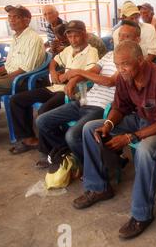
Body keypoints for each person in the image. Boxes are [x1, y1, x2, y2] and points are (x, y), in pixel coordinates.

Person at [72, 40, 156, 240]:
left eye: (126, 64)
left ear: (140, 61)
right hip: (139, 119)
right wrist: (109, 125)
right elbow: (120, 107)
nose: (121, 69)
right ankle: (99, 188)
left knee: (145, 151)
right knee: (90, 128)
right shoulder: (123, 77)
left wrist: (130, 137)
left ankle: (142, 214)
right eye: (118, 65)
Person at [35, 21, 140, 165]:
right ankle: (72, 154)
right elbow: (91, 72)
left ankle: (95, 164)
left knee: (72, 135)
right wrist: (74, 80)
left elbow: (110, 81)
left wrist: (77, 72)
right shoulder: (109, 55)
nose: (121, 39)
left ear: (136, 40)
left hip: (103, 107)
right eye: (120, 36)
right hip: (85, 101)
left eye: (126, 36)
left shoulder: (132, 60)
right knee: (42, 121)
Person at [8, 20, 99, 156]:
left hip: (71, 91)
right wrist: (53, 71)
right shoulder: (68, 50)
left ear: (84, 35)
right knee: (16, 100)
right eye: (70, 36)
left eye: (76, 36)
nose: (73, 40)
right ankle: (28, 139)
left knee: (44, 112)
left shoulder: (91, 51)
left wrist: (72, 78)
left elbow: (92, 71)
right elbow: (54, 61)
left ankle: (51, 150)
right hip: (56, 87)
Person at [0, 5, 44, 115]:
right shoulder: (16, 38)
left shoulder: (33, 39)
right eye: (9, 17)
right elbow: (7, 65)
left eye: (16, 17)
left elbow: (25, 70)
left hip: (22, 81)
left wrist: (4, 77)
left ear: (26, 20)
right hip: (11, 76)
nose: (11, 20)